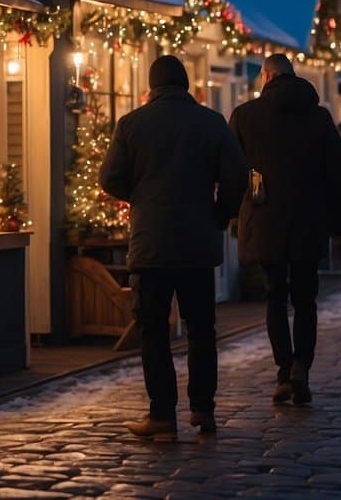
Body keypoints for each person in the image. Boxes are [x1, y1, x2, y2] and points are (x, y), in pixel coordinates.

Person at [99, 55, 247, 439]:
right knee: (201, 329)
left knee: (153, 332)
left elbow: (110, 178)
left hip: (151, 245)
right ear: (185, 85)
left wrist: (140, 197)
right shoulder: (211, 123)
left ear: (152, 87)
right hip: (198, 244)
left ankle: (162, 415)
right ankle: (203, 409)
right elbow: (236, 178)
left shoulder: (132, 124)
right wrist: (219, 215)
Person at [229, 55, 341, 406]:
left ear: (266, 76)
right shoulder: (319, 117)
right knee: (305, 299)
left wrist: (232, 214)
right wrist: (340, 222)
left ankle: (283, 368)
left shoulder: (246, 116)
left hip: (266, 219)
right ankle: (302, 367)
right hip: (309, 222)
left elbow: (232, 170)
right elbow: (336, 174)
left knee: (275, 297)